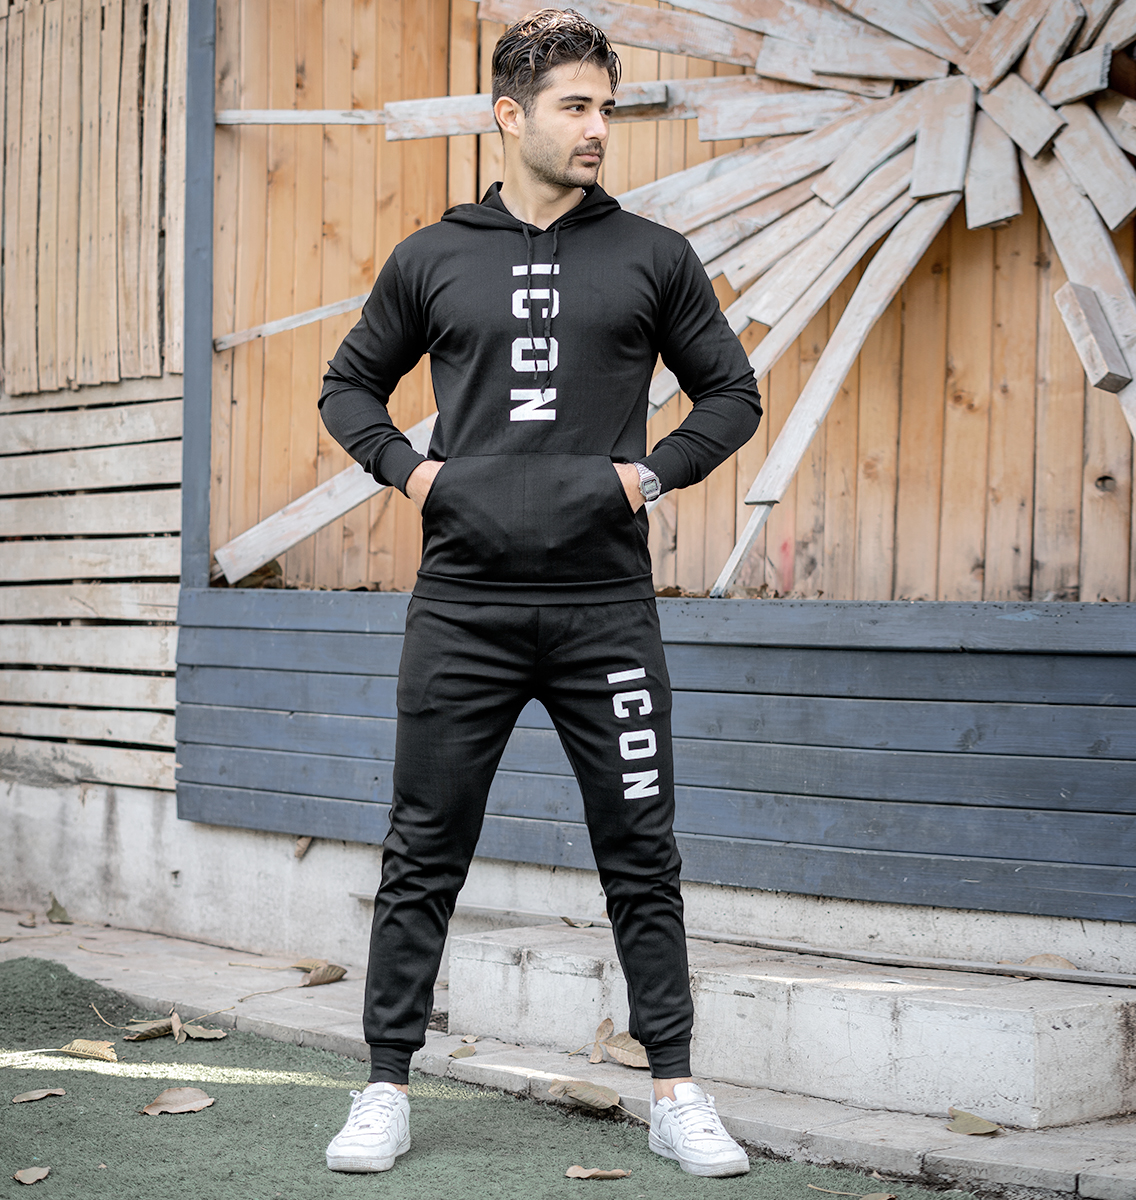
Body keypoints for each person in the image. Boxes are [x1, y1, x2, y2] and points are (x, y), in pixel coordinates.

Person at [317, 6, 762, 1178]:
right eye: (575, 106)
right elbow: (349, 387)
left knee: (640, 847)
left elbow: (732, 395)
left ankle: (675, 1089)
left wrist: (645, 476)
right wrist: (415, 473)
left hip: (604, 610)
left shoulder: (653, 256)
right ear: (508, 116)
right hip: (462, 609)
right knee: (423, 847)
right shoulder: (433, 257)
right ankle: (383, 1085)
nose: (597, 128)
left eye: (606, 107)